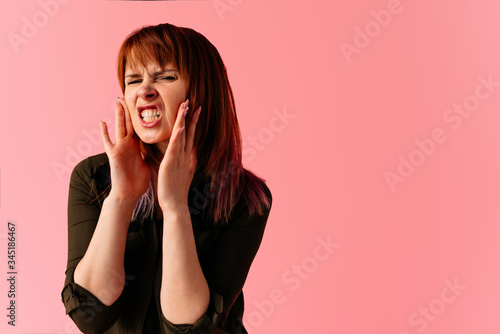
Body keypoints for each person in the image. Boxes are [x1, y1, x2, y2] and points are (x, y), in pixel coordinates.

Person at [61, 23, 272, 334]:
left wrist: (175, 209)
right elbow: (90, 316)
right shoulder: (91, 177)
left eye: (166, 77)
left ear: (202, 91)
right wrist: (121, 198)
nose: (145, 90)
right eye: (133, 80)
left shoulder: (246, 197)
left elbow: (189, 329)